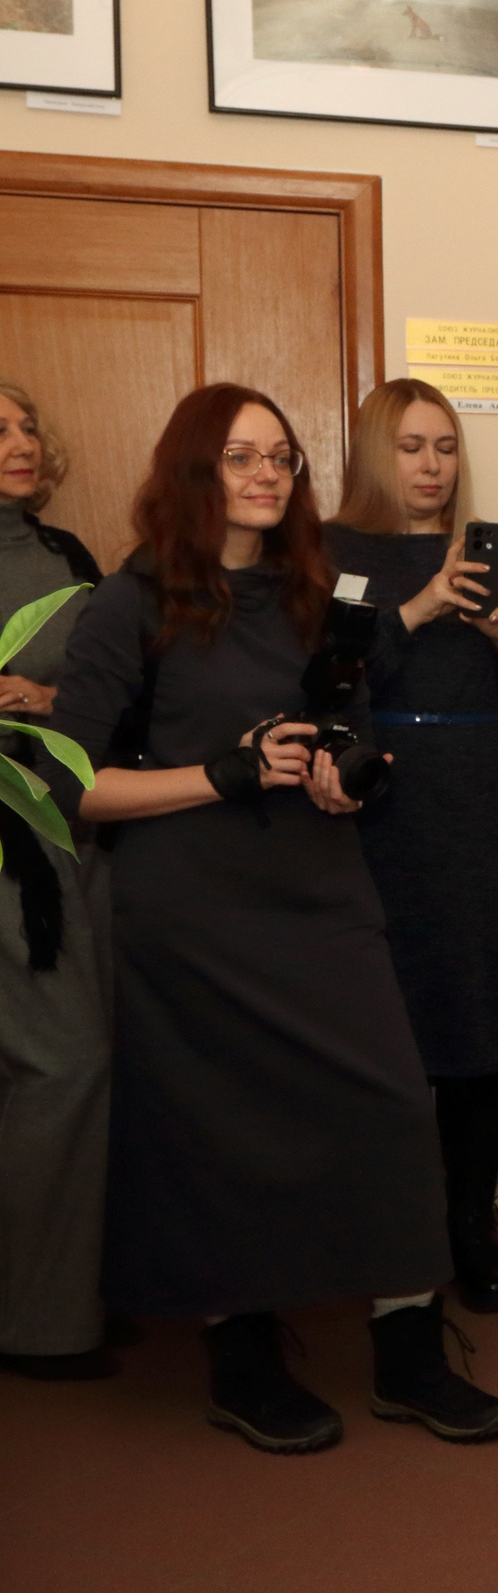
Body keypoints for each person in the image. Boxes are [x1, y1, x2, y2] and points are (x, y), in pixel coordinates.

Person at [44, 383, 498, 1450]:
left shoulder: (314, 596)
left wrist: (350, 774)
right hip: (190, 912)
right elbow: (72, 785)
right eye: (240, 456)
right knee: (223, 1134)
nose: (266, 474)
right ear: (192, 471)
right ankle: (243, 1357)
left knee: (392, 1102)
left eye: (283, 458)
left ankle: (408, 1352)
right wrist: (218, 772)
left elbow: (340, 733)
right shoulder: (132, 601)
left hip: (320, 889)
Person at [327, 378, 498, 1315]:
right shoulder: (334, 554)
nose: (431, 467)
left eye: (446, 448)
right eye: (413, 447)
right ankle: (385, 1231)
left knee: (477, 1029)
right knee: (381, 1035)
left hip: (483, 806)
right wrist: (417, 608)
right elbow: (332, 681)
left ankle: (473, 1229)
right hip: (376, 812)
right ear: (377, 453)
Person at [0, 380, 114, 1381]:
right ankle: (41, 1320)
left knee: (72, 1069)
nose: (20, 441)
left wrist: (51, 697)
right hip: (7, 858)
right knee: (60, 1067)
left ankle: (53, 1309)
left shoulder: (68, 557)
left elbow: (110, 691)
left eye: (28, 423)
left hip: (66, 849)